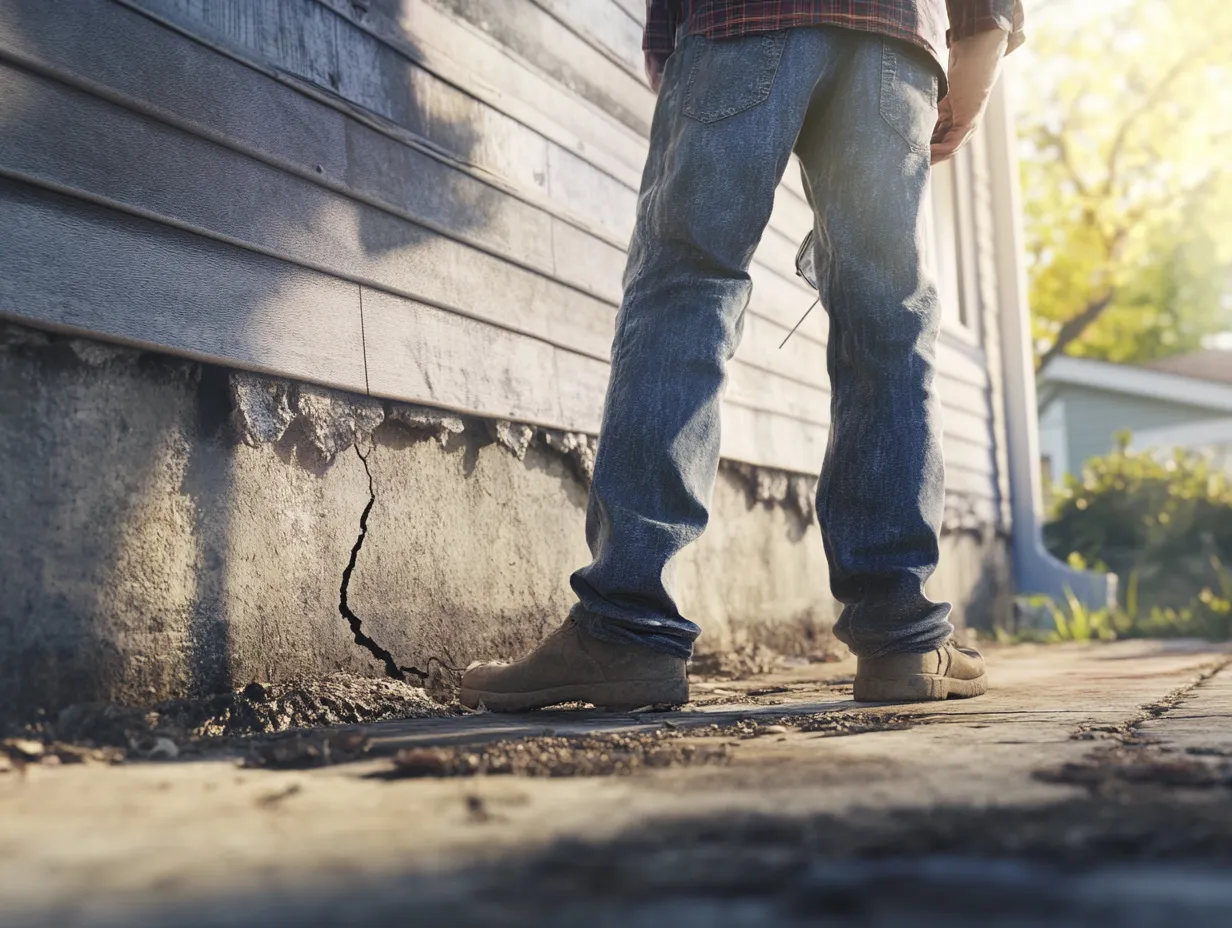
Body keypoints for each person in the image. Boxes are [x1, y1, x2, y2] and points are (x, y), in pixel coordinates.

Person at [461, 0, 1023, 712]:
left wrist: (668, 34)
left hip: (742, 21)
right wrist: (984, 30)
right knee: (888, 322)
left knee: (686, 290)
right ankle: (900, 637)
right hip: (892, 37)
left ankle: (625, 631)